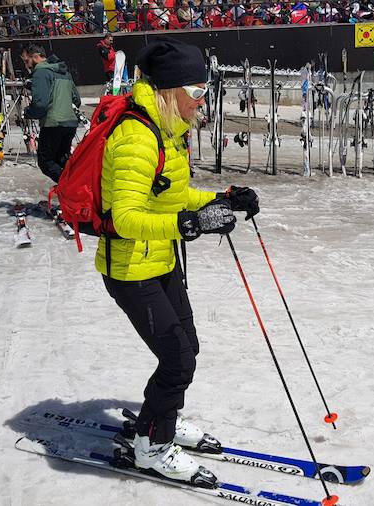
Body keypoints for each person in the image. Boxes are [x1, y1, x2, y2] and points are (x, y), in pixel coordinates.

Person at [97, 37, 259, 484]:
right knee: (177, 359)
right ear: (171, 90)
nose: (202, 102)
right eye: (198, 92)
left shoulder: (166, 130)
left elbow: (173, 195)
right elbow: (125, 217)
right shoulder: (136, 137)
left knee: (187, 347)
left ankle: (162, 418)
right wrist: (188, 225)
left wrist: (223, 198)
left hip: (160, 259)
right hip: (130, 269)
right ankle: (152, 445)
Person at [21, 43, 81, 182]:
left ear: (35, 57)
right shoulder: (64, 71)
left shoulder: (40, 72)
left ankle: (70, 187)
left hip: (52, 123)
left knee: (45, 161)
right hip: (70, 123)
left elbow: (40, 104)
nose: (26, 65)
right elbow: (76, 100)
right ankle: (78, 189)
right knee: (61, 161)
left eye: (26, 61)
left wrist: (28, 112)